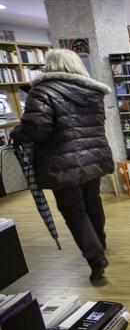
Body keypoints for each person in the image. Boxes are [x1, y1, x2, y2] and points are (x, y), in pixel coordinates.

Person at [10, 49, 114, 284]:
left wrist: (17, 133)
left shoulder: (42, 91)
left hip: (61, 161)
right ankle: (100, 243)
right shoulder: (93, 91)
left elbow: (36, 128)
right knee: (92, 203)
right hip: (92, 156)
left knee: (73, 211)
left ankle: (96, 259)